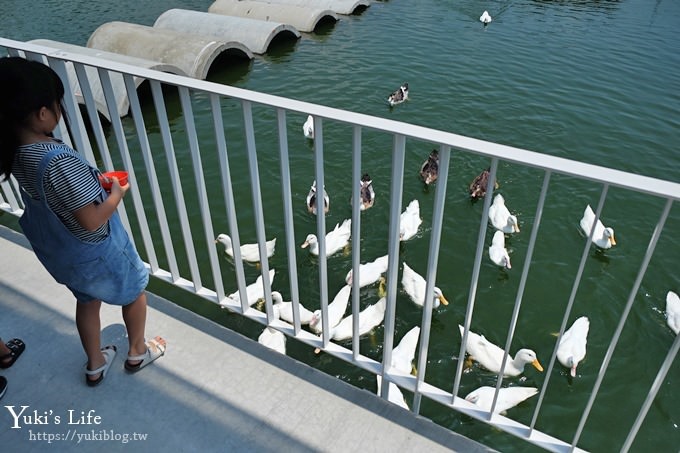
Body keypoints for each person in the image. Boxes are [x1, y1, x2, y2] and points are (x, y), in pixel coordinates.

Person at [0, 57, 166, 387]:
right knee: (135, 292)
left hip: (64, 253)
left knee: (87, 301)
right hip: (95, 249)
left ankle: (95, 363)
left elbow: (59, 195)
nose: (60, 109)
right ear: (42, 113)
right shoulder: (58, 158)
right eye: (56, 103)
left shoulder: (15, 150)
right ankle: (136, 351)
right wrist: (116, 194)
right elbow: (91, 220)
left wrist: (90, 185)